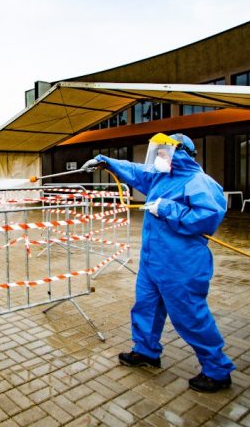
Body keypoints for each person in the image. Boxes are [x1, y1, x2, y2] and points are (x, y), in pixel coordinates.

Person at [81, 133, 235, 393]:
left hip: (181, 265)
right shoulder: (160, 177)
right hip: (152, 262)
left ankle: (217, 370)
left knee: (190, 316)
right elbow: (136, 171)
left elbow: (207, 218)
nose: (160, 158)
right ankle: (146, 351)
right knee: (146, 307)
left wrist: (167, 209)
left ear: (182, 153)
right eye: (159, 153)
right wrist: (106, 161)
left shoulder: (200, 182)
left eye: (165, 153)